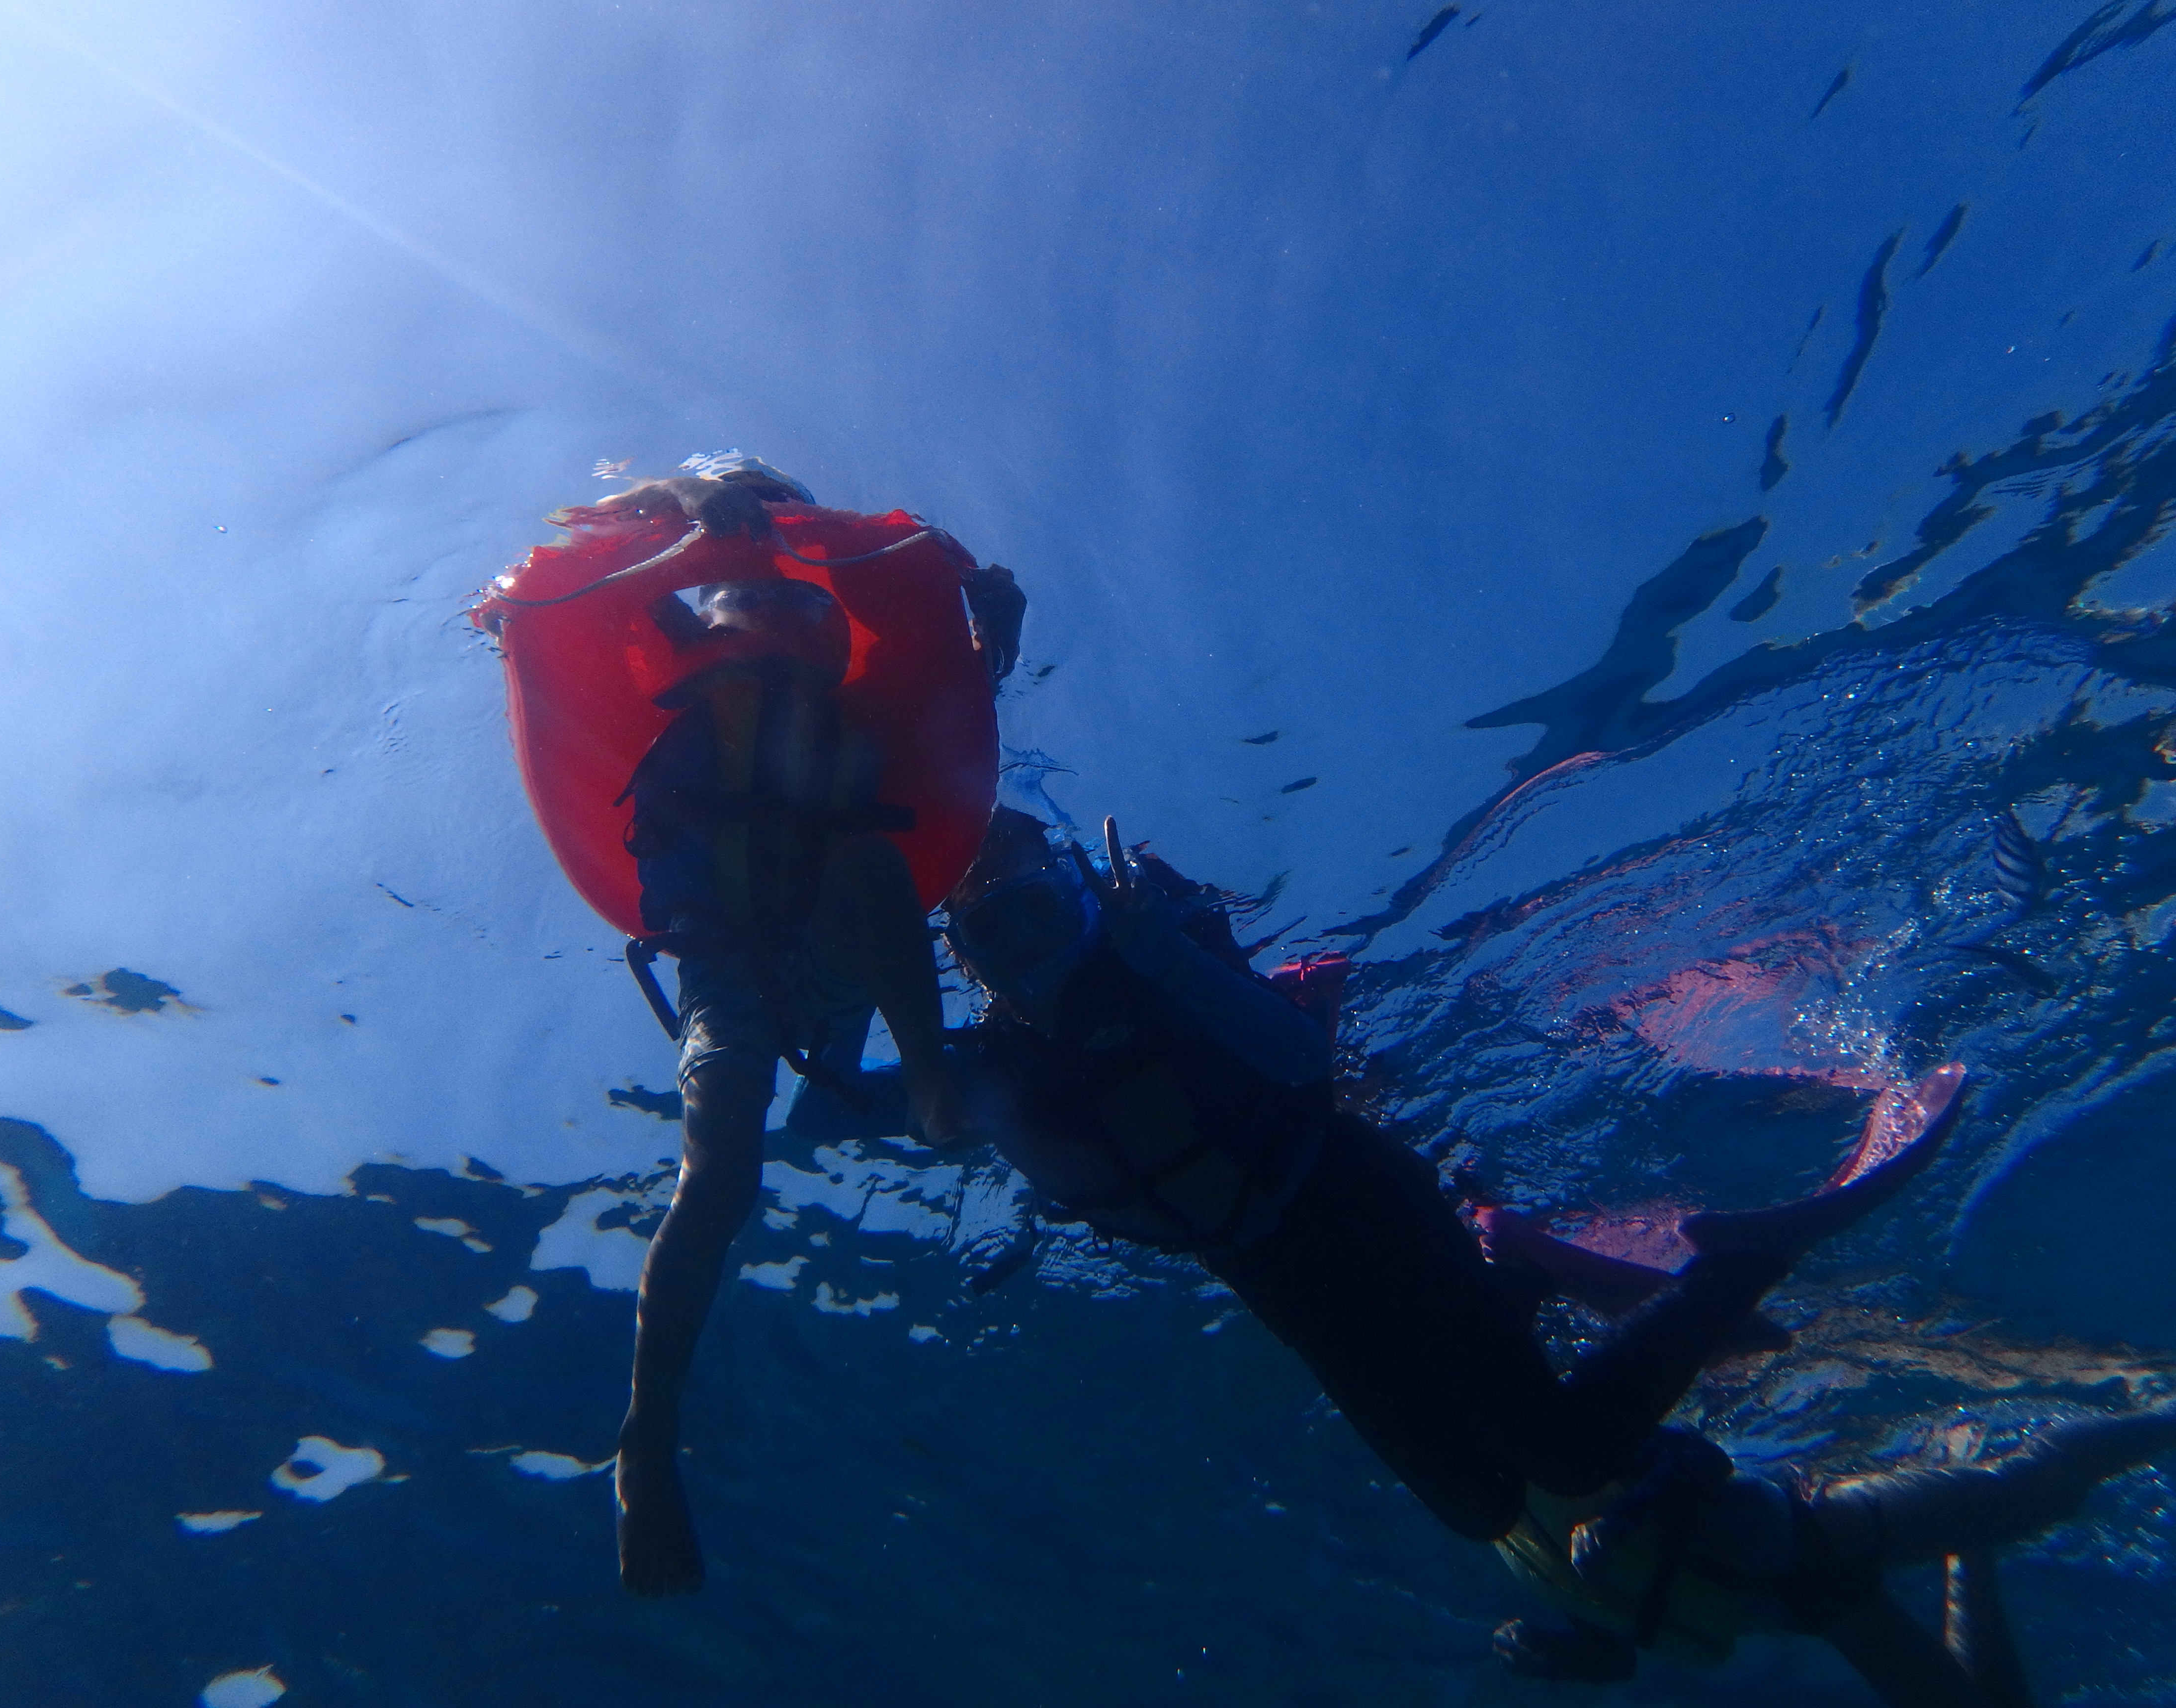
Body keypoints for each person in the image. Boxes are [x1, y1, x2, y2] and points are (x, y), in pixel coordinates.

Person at [928, 807, 1967, 1547]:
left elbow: (1298, 1059)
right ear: (964, 962)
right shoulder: (986, 1068)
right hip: (1271, 1273)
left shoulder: (1158, 964)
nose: (1025, 948)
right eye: (990, 932)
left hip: (1351, 1194)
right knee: (1480, 1510)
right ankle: (1518, 1274)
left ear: (1079, 897)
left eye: (1037, 908)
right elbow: (861, 1099)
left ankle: (1739, 1258)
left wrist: (1166, 962)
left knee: (1561, 1453)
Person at [587, 454, 1024, 1597]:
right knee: (723, 1166)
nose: (779, 618)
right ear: (711, 592)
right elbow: (590, 577)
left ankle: (916, 1081)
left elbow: (948, 721)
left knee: (872, 865)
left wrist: (990, 634)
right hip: (721, 957)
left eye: (797, 598)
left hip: (833, 949)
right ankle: (645, 1442)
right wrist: (691, 503)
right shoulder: (679, 641)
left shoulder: (851, 707)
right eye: (750, 590)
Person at [1489, 1394, 2176, 1706]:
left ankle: (2163, 1409)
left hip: (1824, 1529)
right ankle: (1965, 1537)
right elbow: (1614, 1649)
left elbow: (1700, 1460)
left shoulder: (1556, 1437)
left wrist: (1623, 1520)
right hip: (1820, 1609)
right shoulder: (1519, 1532)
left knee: (2033, 1494)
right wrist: (1565, 1656)